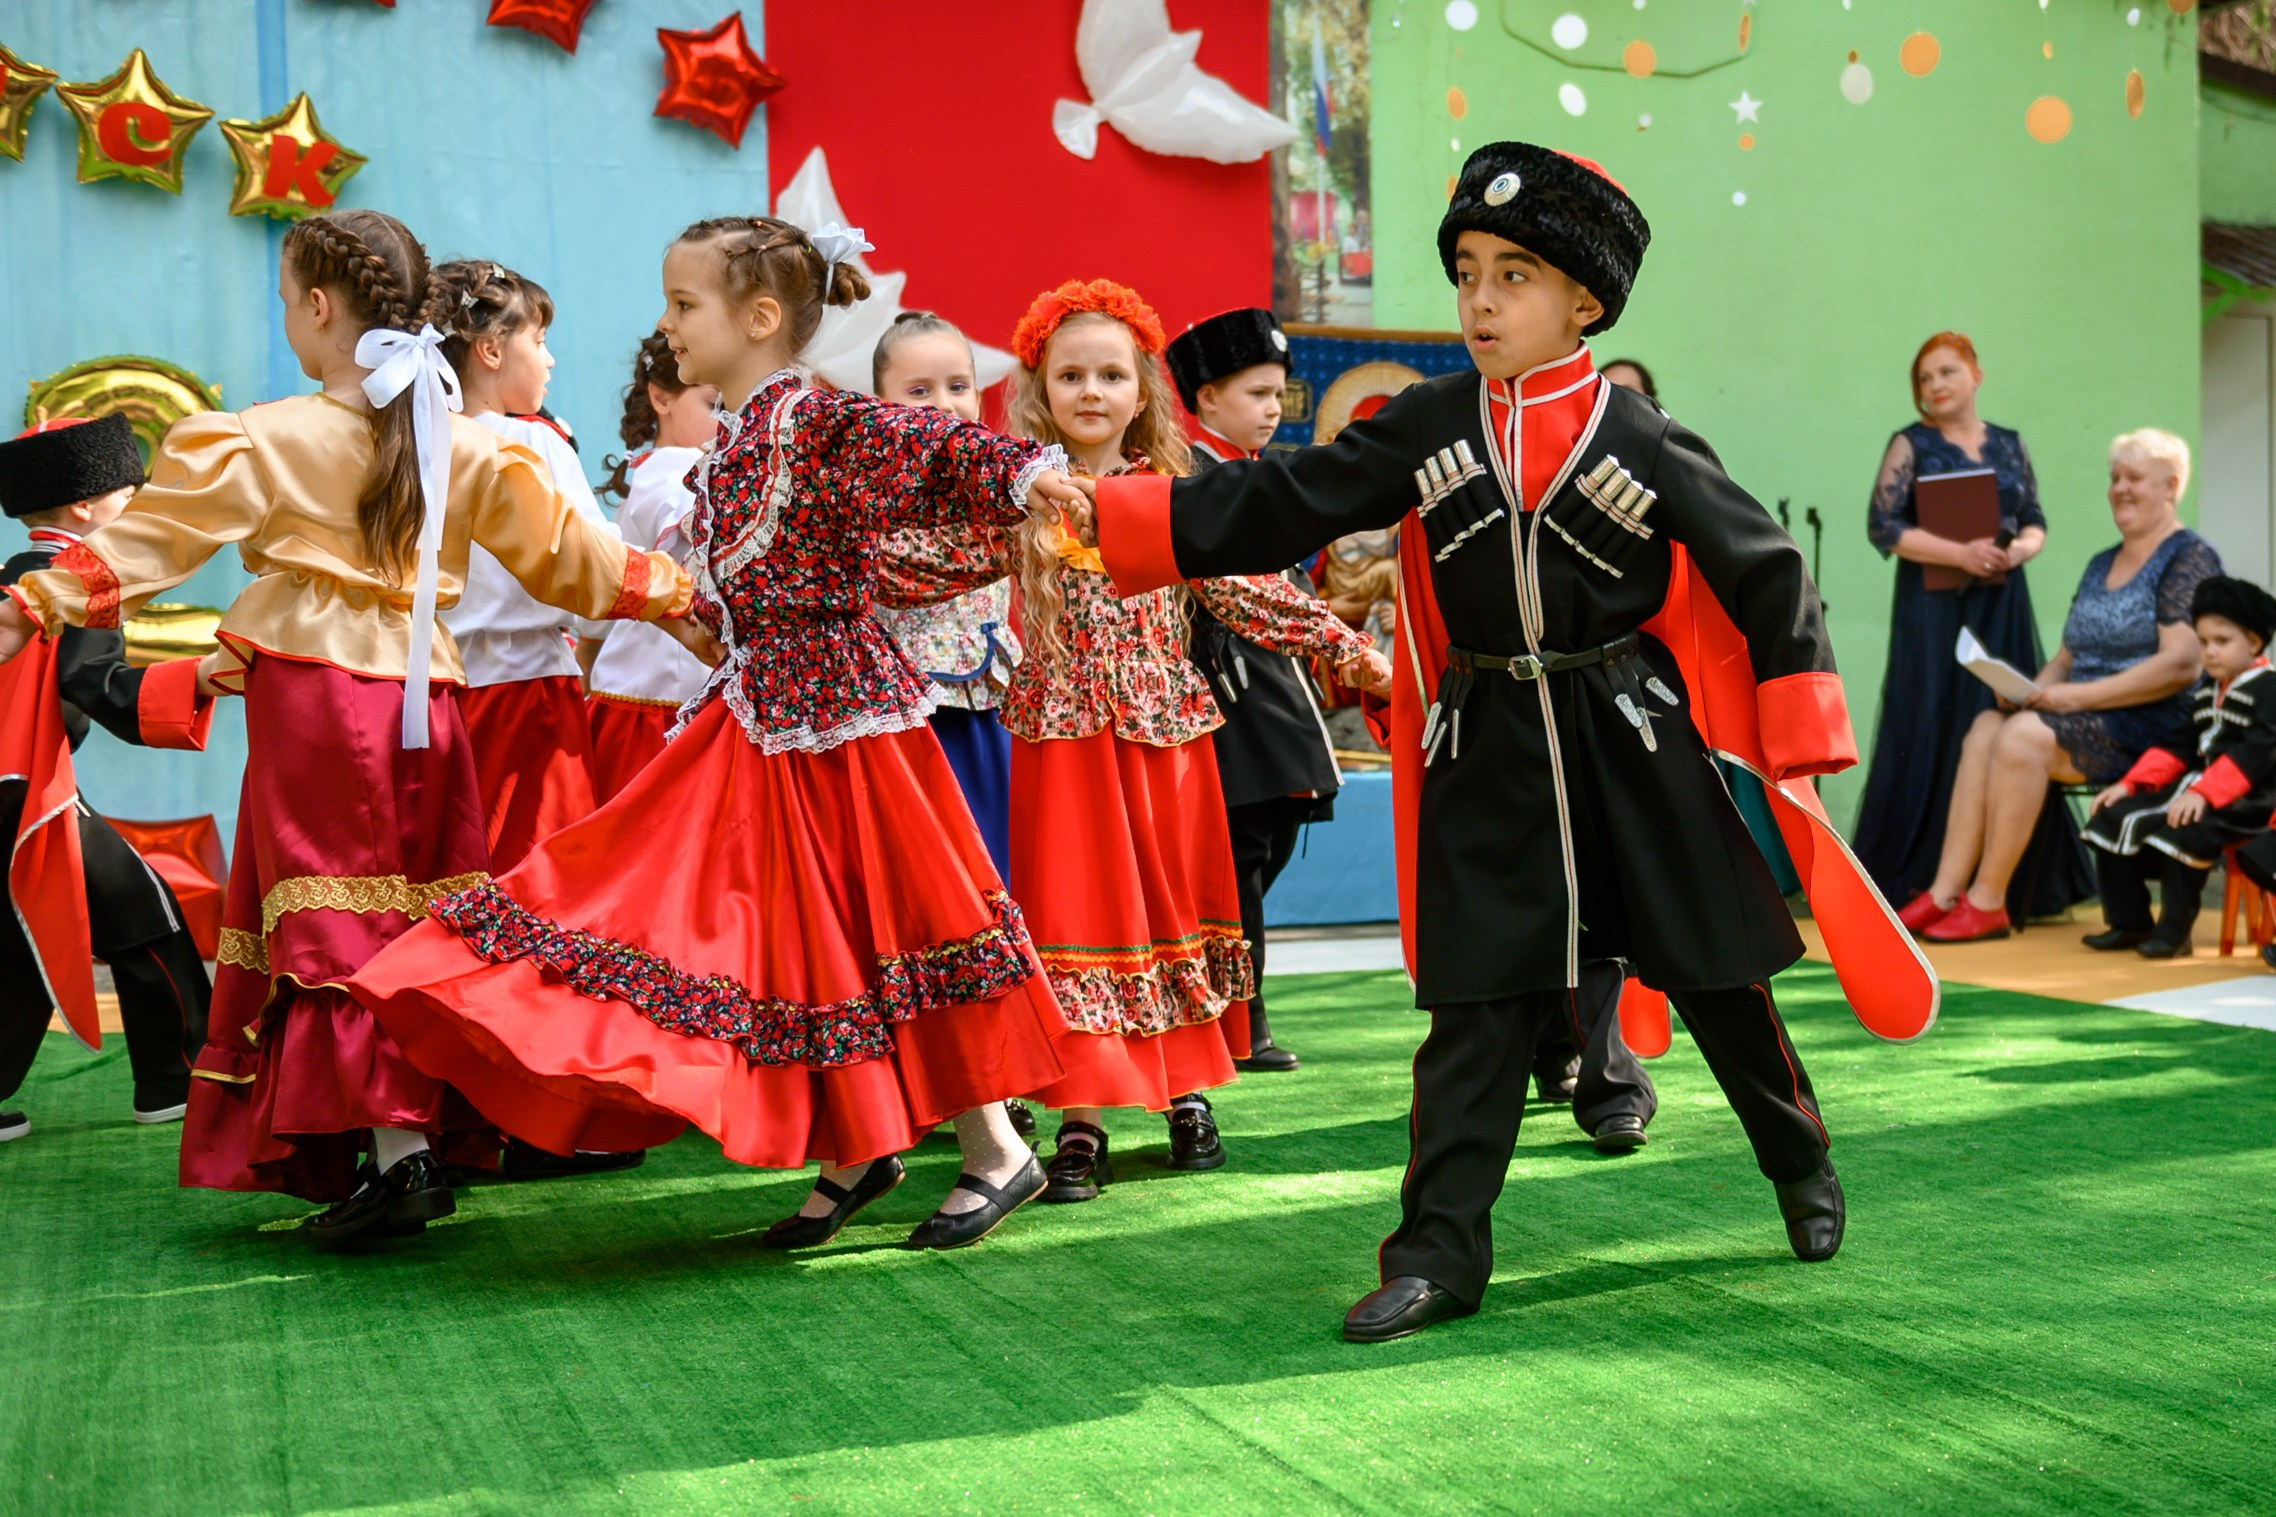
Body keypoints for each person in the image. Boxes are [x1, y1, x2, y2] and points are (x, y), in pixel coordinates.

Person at [1077, 142, 1919, 1342]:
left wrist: (1793, 725)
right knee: (1473, 1013)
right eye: (1466, 270)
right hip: (1487, 746)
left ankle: (1799, 1161)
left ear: (1583, 300)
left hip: (1631, 736)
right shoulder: (1422, 423)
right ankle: (1436, 1256)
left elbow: (1768, 570)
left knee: (1718, 976)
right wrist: (1124, 516)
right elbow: (1280, 498)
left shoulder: (1640, 435)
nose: (1478, 299)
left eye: (1511, 275)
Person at [350, 214, 1089, 1252]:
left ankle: (995, 1149)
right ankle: (860, 1143)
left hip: (842, 718)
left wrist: (1019, 472)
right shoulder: (738, 434)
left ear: (760, 316)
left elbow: (916, 435)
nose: (666, 324)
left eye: (684, 305)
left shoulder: (807, 417)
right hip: (759, 711)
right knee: (793, 929)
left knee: (896, 918)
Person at [0, 209, 695, 1244]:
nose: (288, 317)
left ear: (321, 307)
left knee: (333, 914)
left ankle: (400, 1155)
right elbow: (580, 564)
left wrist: (37, 599)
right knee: (414, 908)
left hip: (320, 700)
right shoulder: (469, 445)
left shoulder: (273, 438)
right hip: (429, 702)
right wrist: (689, 596)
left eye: (288, 300)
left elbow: (155, 541)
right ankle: (408, 1142)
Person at [877, 278, 1386, 1204]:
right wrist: (832, 545)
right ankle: (1082, 1117)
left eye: (1112, 373)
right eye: (1070, 374)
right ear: (1040, 390)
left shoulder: (1175, 495)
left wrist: (1350, 648)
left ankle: (1184, 1089)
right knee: (1076, 924)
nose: (1091, 391)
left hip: (1161, 740)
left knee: (1166, 911)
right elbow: (923, 563)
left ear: (1143, 390)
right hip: (1063, 742)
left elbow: (1248, 589)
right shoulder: (1024, 501)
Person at [1907, 428, 2221, 942]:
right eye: (2114, 477)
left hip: (2155, 726)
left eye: (2134, 478)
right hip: (2082, 714)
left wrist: (2070, 698)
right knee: (1989, 722)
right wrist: (2027, 689)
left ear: (2172, 485)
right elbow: (2068, 657)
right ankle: (1944, 892)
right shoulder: (2102, 563)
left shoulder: (2189, 558)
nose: (2119, 488)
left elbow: (2180, 666)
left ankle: (1988, 901)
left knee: (2022, 736)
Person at [0, 413, 215, 1142]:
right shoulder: (74, 581)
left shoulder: (12, 575)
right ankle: (181, 1075)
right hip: (29, 791)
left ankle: (171, 1076)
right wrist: (201, 681)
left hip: (18, 784)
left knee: (25, 937)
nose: (137, 508)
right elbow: (94, 684)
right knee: (144, 912)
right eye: (130, 495)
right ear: (86, 506)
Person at [1852, 333, 2093, 929]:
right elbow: (1882, 525)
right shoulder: (1911, 443)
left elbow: (2034, 520)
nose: (1936, 385)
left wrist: (2017, 555)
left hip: (2000, 601)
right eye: (1925, 379)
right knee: (1932, 718)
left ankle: (2006, 885)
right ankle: (1918, 883)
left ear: (1976, 375)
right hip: (1934, 607)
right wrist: (1961, 554)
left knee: (1999, 714)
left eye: (1947, 372)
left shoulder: (2010, 443)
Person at [866, 310, 1036, 1139]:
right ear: (881, 402)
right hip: (911, 722)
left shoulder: (1003, 485)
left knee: (993, 887)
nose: (944, 404)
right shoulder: (873, 494)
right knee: (923, 901)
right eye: (919, 389)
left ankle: (1000, 1076)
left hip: (987, 715)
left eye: (959, 385)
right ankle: (934, 1079)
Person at [1165, 306, 1336, 1072]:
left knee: (1257, 858)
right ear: (1204, 399)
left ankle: (1243, 1014)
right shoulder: (1190, 477)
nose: (1273, 408)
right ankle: (1241, 1020)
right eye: (1256, 393)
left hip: (1276, 701)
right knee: (1240, 862)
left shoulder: (1256, 476)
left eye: (1278, 393)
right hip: (1229, 703)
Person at [427, 260, 611, 874]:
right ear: (490, 350)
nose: (550, 359)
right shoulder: (532, 442)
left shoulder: (413, 444)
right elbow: (596, 565)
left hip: (431, 691)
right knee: (538, 879)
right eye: (539, 340)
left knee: (450, 871)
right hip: (529, 690)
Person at [2083, 577, 2276, 957]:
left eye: (2222, 642)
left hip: (2249, 799)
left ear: (2254, 643)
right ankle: (2129, 922)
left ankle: (2173, 934)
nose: (2210, 652)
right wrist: (2130, 785)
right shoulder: (2209, 689)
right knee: (2112, 814)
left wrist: (2203, 793)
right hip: (2200, 791)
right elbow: (2181, 744)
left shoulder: (2269, 690)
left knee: (2182, 828)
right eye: (2203, 642)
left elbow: (2258, 753)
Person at [585, 333, 719, 802]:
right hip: (659, 708)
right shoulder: (675, 465)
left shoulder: (659, 467)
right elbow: (685, 517)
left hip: (648, 696)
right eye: (714, 403)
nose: (731, 420)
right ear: (661, 397)